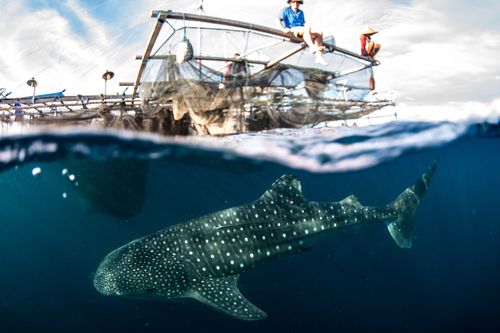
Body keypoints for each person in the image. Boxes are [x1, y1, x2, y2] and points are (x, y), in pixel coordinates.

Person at [278, 0, 328, 65]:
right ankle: (312, 47)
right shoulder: (286, 10)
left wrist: (308, 32)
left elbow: (302, 25)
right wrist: (283, 29)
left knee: (319, 32)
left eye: (297, 2)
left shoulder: (300, 12)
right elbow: (277, 20)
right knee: (307, 28)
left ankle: (319, 57)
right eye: (293, 2)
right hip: (292, 30)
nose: (295, 3)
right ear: (290, 3)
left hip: (301, 30)